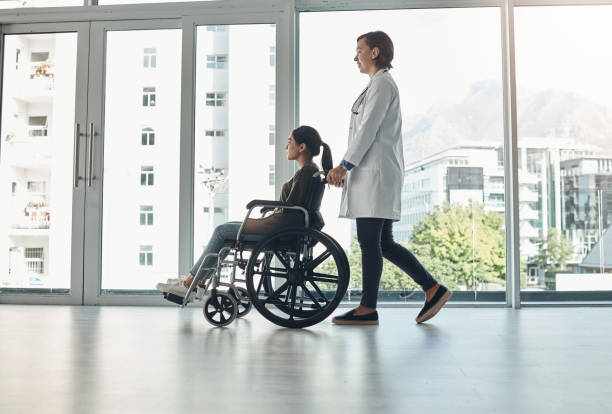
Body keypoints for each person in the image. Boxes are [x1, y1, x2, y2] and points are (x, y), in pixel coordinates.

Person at [326, 31, 452, 325]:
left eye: (359, 49)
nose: (355, 55)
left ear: (375, 52)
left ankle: (368, 308)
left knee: (371, 241)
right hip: (375, 174)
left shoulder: (382, 83)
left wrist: (344, 165)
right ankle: (433, 288)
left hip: (377, 176)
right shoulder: (377, 85)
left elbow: (367, 129)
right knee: (382, 242)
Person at [156, 125, 333, 300]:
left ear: (302, 147)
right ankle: (198, 282)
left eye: (290, 142)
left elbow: (292, 209)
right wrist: (272, 208)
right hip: (282, 224)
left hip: (280, 227)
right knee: (226, 229)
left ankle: (191, 283)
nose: (286, 147)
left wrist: (270, 208)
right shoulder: (310, 170)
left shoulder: (308, 170)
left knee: (222, 232)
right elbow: (294, 207)